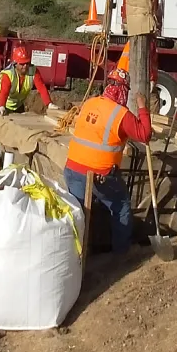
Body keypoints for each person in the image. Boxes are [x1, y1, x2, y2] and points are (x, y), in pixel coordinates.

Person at [64, 67, 153, 254]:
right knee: (120, 206)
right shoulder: (120, 114)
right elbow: (144, 135)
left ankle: (73, 255)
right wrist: (143, 107)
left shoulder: (90, 103)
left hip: (73, 168)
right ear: (123, 90)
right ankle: (121, 255)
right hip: (100, 174)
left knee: (77, 213)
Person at [0, 43, 51, 115]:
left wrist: (49, 103)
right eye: (22, 64)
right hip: (2, 103)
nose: (25, 66)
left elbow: (41, 87)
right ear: (16, 63)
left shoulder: (32, 71)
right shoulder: (9, 74)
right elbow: (4, 92)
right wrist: (2, 106)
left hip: (18, 105)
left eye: (27, 63)